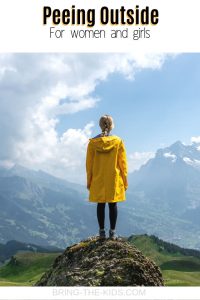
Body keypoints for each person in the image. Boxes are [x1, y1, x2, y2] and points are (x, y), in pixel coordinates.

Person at [86, 114, 128, 239]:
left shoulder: (93, 143)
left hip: (98, 178)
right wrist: (125, 181)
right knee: (112, 204)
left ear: (100, 125)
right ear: (111, 126)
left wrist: (89, 181)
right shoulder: (118, 142)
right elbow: (123, 164)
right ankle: (113, 232)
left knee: (100, 204)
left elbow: (89, 165)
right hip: (113, 178)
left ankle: (102, 232)